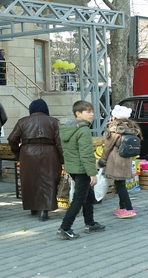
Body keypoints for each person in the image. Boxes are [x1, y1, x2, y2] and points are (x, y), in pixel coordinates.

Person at [57, 100, 105, 240]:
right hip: (82, 169)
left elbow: (67, 151)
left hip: (73, 168)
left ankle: (90, 223)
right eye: (88, 112)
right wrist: (92, 173)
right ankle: (65, 228)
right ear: (78, 114)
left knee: (88, 196)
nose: (91, 115)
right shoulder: (83, 130)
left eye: (92, 111)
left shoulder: (67, 128)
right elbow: (86, 154)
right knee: (78, 199)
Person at [7, 99, 62, 221]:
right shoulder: (54, 121)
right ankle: (44, 210)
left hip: (28, 152)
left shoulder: (22, 121)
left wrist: (17, 151)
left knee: (29, 180)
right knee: (49, 180)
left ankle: (33, 206)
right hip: (49, 152)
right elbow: (59, 143)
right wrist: (62, 159)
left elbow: (12, 138)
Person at [99, 105, 142, 219]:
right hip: (126, 159)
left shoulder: (114, 129)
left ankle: (129, 209)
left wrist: (102, 160)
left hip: (116, 159)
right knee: (121, 184)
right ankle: (121, 208)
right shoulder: (130, 127)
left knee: (120, 185)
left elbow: (108, 147)